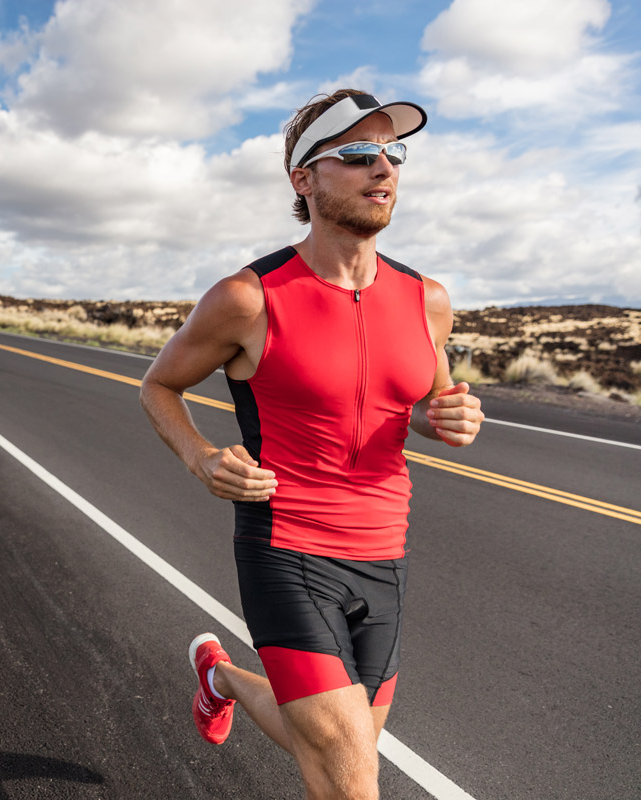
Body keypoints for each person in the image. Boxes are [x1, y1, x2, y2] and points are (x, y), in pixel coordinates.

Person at [139, 89, 485, 799]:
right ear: (304, 179)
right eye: (356, 154)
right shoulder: (249, 298)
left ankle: (222, 677)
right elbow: (159, 386)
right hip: (288, 545)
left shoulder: (427, 300)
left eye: (393, 153)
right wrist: (202, 457)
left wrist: (448, 418)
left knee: (337, 745)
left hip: (385, 551)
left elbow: (424, 403)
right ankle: (228, 677)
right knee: (350, 773)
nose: (382, 169)